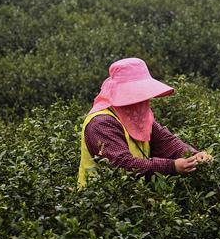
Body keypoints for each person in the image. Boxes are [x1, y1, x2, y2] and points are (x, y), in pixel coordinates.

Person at [77, 58, 212, 188]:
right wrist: (172, 166)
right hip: (98, 206)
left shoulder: (138, 117)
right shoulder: (101, 123)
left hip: (133, 199)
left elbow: (167, 143)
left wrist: (194, 155)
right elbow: (122, 164)